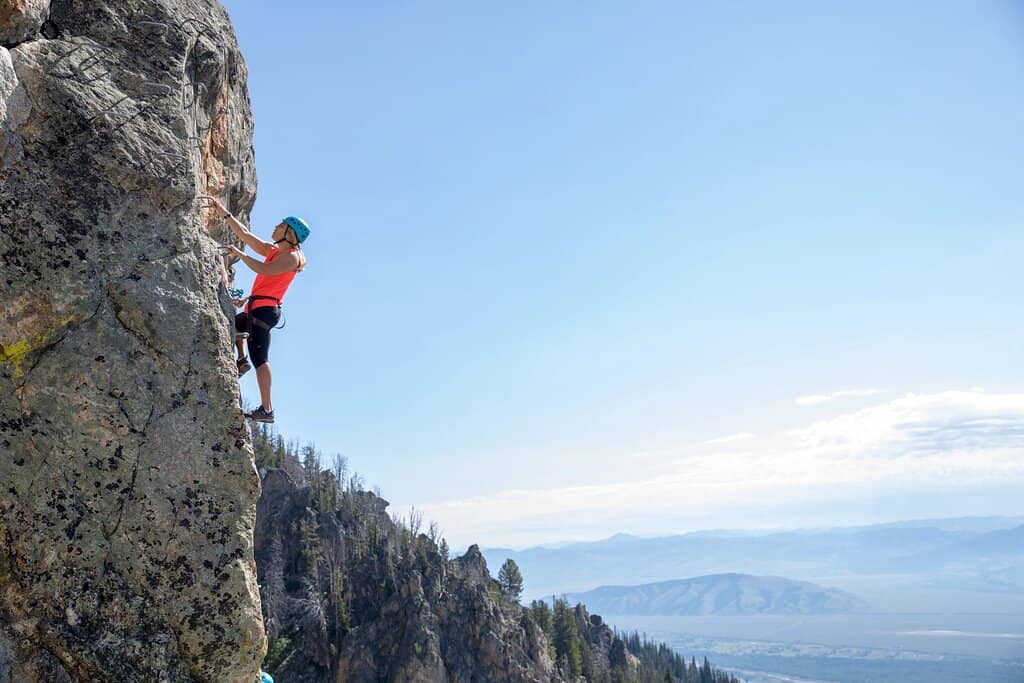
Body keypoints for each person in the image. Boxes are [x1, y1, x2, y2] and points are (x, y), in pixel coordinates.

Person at [210, 197, 309, 423]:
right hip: (258, 306)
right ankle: (241, 359)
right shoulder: (274, 250)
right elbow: (245, 234)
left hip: (265, 311)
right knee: (232, 325)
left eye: (281, 225)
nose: (276, 227)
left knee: (261, 358)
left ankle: (267, 409)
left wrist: (242, 255)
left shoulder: (292, 258)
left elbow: (265, 270)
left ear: (290, 233)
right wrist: (224, 212)